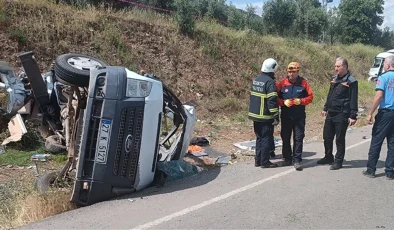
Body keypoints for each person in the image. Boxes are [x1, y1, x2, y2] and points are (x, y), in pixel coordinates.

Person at [318, 57, 358, 170]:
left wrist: (353, 115)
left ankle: (338, 161)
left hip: (342, 113)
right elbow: (330, 95)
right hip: (331, 112)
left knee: (339, 139)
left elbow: (353, 98)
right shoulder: (334, 79)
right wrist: (325, 108)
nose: (336, 69)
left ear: (345, 67)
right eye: (335, 66)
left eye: (338, 66)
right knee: (327, 136)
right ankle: (328, 157)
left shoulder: (351, 81)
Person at [277, 62, 313, 171]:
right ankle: (287, 158)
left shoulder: (304, 83)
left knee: (298, 137)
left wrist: (301, 101)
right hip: (286, 116)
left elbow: (310, 97)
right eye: (290, 72)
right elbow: (274, 98)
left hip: (299, 116)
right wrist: (283, 102)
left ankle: (297, 160)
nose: (291, 74)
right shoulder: (282, 83)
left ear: (298, 72)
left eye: (294, 72)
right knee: (285, 137)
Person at [362, 55, 394, 180]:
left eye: (385, 63)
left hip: (385, 113)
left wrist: (370, 112)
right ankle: (390, 171)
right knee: (392, 143)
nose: (384, 65)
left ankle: (371, 169)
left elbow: (379, 96)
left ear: (388, 64)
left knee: (377, 140)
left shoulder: (383, 77)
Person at [248, 58, 280, 168]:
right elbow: (272, 100)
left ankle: (258, 160)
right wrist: (275, 115)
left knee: (259, 138)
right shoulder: (269, 82)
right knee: (266, 138)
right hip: (265, 116)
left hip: (255, 115)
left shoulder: (256, 80)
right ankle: (265, 162)